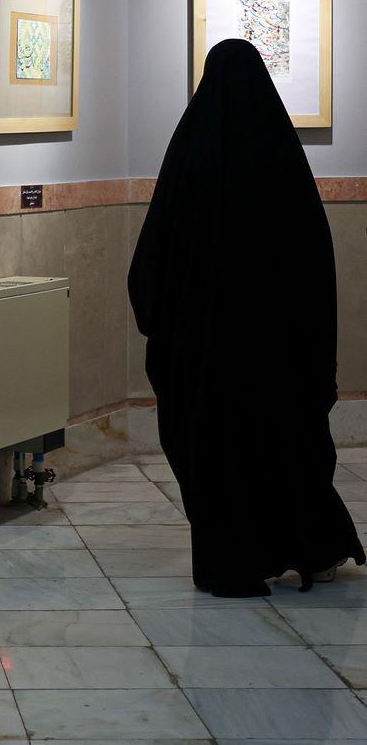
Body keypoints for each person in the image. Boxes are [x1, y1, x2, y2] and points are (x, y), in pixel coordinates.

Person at [128, 38, 364, 598]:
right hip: (279, 356)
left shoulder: (189, 161)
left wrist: (164, 327)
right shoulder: (284, 162)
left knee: (216, 456)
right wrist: (314, 352)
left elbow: (151, 262)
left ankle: (235, 555)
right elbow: (316, 269)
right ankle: (310, 548)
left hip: (206, 359)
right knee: (289, 449)